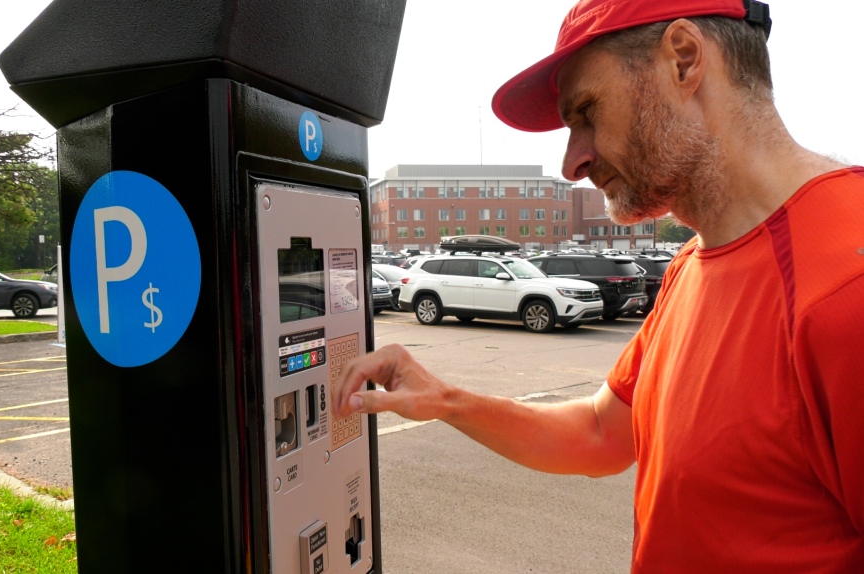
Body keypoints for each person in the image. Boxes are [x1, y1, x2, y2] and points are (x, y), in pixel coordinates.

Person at [334, 0, 864, 571]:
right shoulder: (691, 265)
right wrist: (446, 401)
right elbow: (599, 433)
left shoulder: (845, 284)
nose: (572, 162)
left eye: (587, 111)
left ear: (683, 61)